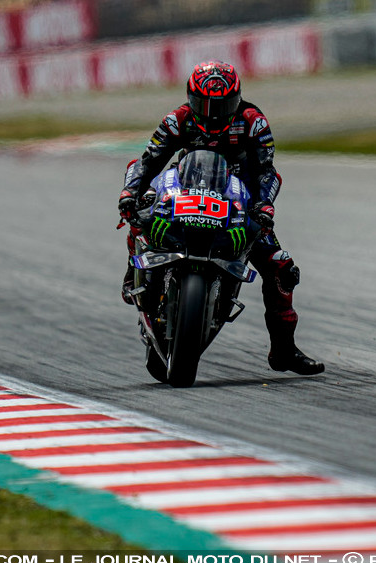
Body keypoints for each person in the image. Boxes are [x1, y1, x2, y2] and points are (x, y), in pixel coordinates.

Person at [118, 60, 324, 376]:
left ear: (237, 98)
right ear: (191, 98)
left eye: (223, 104)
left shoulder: (253, 122)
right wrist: (129, 194)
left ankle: (284, 350)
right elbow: (148, 162)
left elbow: (267, 172)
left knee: (281, 265)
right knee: (142, 211)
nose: (213, 113)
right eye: (205, 104)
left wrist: (265, 205)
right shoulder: (177, 120)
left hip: (237, 195)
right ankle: (135, 269)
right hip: (185, 185)